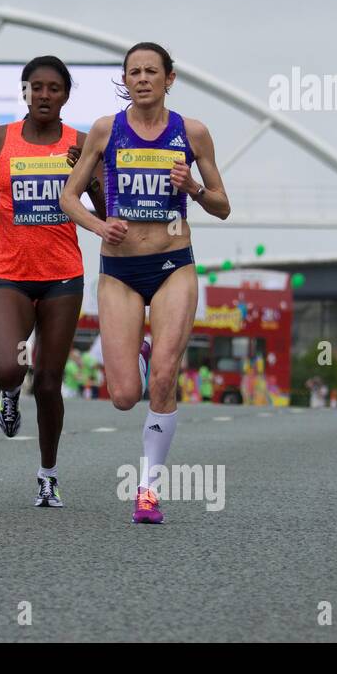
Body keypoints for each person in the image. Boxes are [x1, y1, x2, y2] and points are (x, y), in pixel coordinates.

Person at [60, 42, 231, 523]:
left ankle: (148, 489)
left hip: (173, 264)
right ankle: (136, 354)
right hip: (119, 271)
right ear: (125, 79)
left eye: (151, 71)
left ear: (169, 79)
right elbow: (69, 196)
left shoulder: (191, 133)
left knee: (163, 378)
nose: (141, 79)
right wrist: (99, 226)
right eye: (133, 72)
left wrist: (193, 187)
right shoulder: (105, 130)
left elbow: (223, 206)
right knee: (123, 396)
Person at [0, 55, 100, 509]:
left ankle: (48, 475)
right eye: (36, 87)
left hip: (62, 276)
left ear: (66, 95)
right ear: (25, 91)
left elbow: (104, 201)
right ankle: (7, 394)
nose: (44, 95)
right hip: (11, 276)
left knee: (50, 382)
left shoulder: (80, 142)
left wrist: (87, 171)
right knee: (7, 368)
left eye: (53, 88)